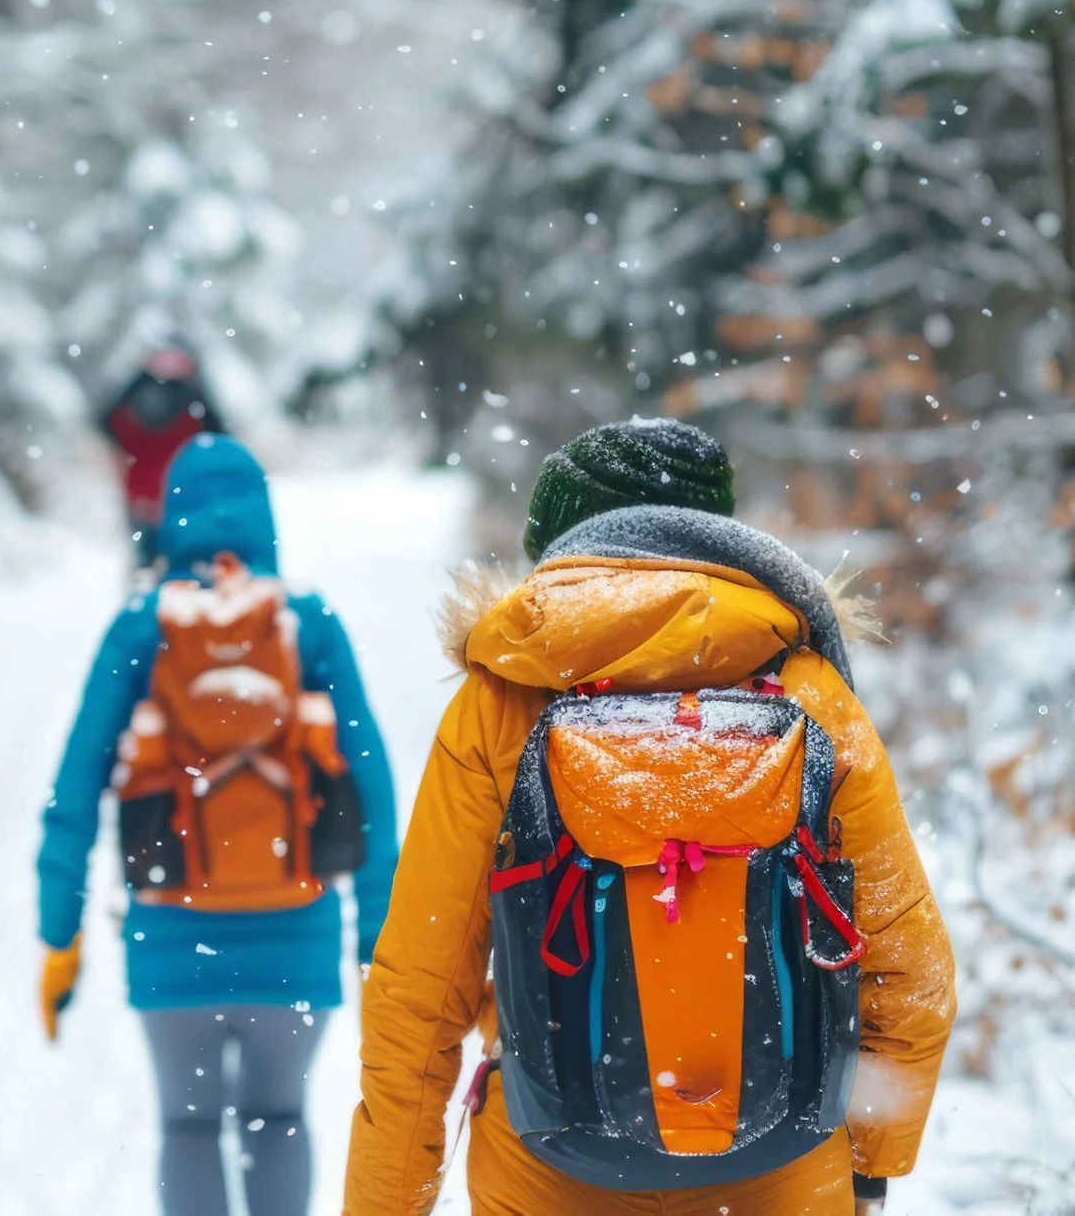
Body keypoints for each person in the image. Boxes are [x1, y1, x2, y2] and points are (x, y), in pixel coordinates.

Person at [342, 419, 955, 1216]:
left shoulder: (499, 702)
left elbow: (419, 996)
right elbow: (912, 972)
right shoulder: (812, 698)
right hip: (779, 1172)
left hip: (551, 1168)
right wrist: (867, 1168)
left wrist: (386, 1202)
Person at [38, 434, 399, 1216]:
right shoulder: (306, 622)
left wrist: (58, 933)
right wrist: (378, 941)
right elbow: (371, 784)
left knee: (188, 1123)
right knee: (281, 1117)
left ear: (171, 519)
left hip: (172, 929)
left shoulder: (142, 626)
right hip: (295, 924)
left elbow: (75, 786)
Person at [100, 341, 226, 562]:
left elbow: (105, 424)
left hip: (144, 500)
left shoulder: (131, 397)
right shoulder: (194, 400)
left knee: (148, 564)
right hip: (179, 502)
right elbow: (220, 437)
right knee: (183, 565)